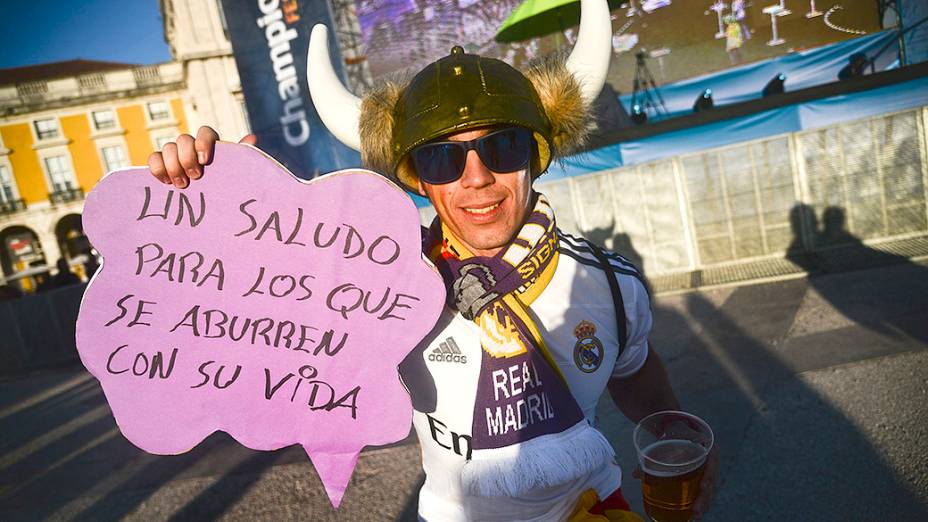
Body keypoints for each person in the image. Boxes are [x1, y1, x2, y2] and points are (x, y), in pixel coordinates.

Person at [147, 1, 718, 520]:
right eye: (443, 159)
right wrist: (212, 217)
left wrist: (675, 436)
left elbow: (641, 384)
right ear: (418, 178)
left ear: (534, 157)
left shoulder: (610, 286)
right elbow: (254, 330)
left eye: (503, 146)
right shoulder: (378, 289)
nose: (477, 178)